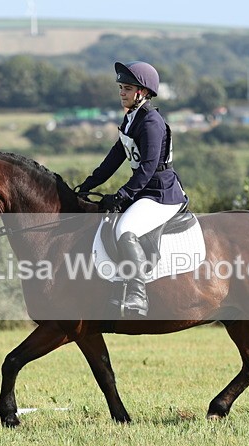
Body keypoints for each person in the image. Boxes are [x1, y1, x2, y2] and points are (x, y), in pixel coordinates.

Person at [75, 61, 187, 317]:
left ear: (143, 92)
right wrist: (86, 185)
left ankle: (137, 294)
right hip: (146, 191)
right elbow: (114, 158)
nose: (121, 93)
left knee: (126, 229)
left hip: (161, 193)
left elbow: (147, 168)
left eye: (127, 88)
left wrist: (122, 195)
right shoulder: (131, 119)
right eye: (121, 88)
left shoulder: (151, 122)